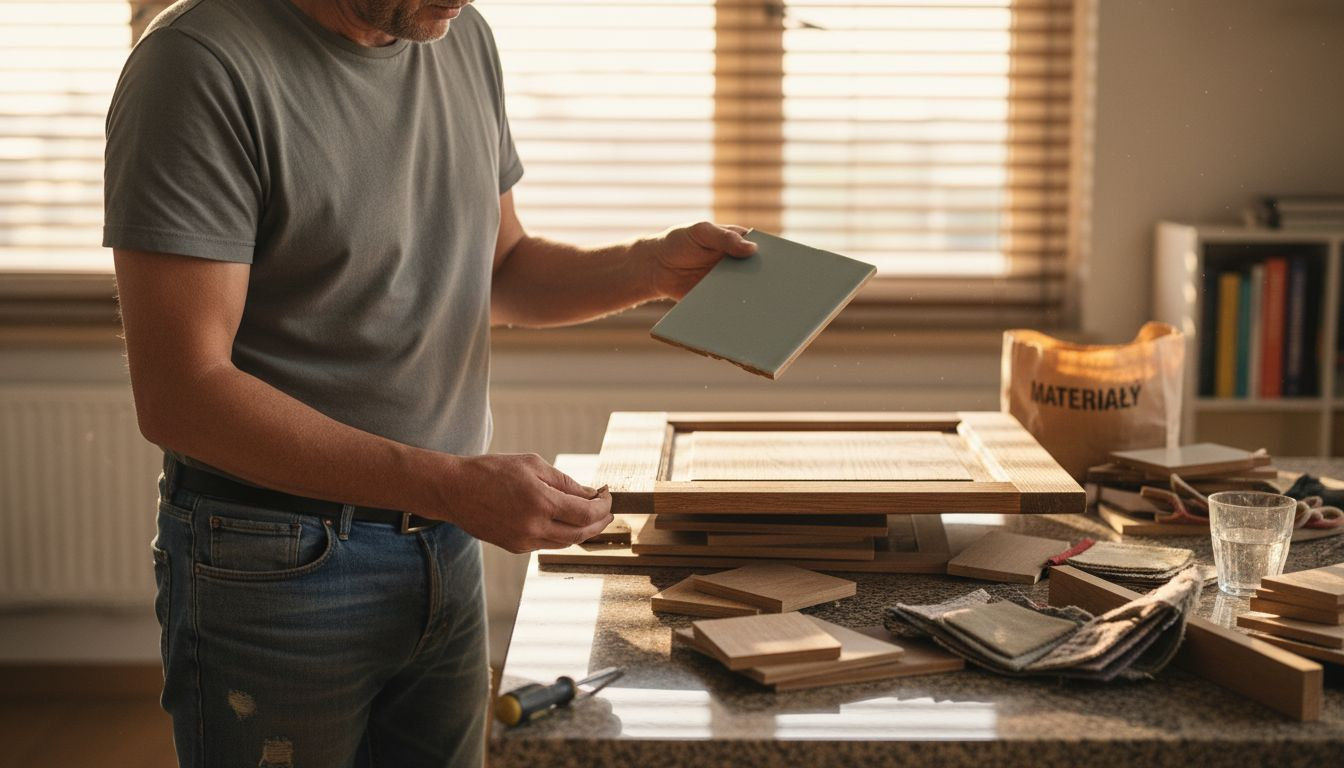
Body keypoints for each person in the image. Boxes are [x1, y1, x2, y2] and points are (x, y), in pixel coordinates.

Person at [103, 0, 757, 765]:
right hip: (275, 558)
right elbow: (183, 394)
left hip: (442, 543)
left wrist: (648, 268)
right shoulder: (197, 64)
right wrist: (445, 484)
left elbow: (502, 269)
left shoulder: (457, 33)